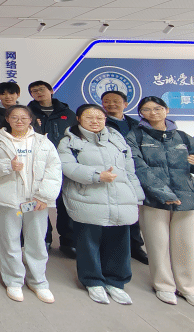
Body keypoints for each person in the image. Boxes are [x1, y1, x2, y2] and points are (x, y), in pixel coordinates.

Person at [127, 96, 194, 309]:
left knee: (185, 245)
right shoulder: (135, 136)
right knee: (157, 244)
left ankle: (189, 289)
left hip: (186, 199)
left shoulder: (182, 137)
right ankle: (164, 286)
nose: (153, 113)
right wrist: (162, 193)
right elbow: (139, 167)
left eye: (157, 108)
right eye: (147, 110)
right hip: (154, 200)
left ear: (166, 110)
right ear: (141, 114)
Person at [57, 104, 144, 305]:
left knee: (119, 241)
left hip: (120, 197)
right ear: (79, 119)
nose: (95, 121)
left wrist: (136, 194)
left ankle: (116, 281)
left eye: (99, 117)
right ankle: (93, 281)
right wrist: (97, 175)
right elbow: (67, 166)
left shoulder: (116, 138)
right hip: (87, 197)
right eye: (89, 117)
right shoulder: (69, 141)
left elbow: (129, 168)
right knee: (88, 242)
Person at [0, 105, 61, 304]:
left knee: (37, 241)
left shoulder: (43, 142)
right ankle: (14, 280)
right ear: (7, 119)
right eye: (14, 117)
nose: (19, 121)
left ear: (30, 120)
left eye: (24, 118)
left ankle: (38, 281)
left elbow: (54, 169)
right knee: (9, 241)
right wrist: (7, 166)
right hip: (8, 200)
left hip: (35, 201)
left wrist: (44, 196)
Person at [27, 80, 76, 258]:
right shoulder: (28, 113)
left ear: (51, 90)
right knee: (39, 201)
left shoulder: (68, 113)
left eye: (41, 89)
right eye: (34, 91)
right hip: (37, 163)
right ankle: (44, 239)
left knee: (66, 203)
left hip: (63, 163)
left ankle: (68, 241)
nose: (38, 93)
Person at [101, 90, 149, 265]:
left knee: (132, 208)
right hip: (112, 171)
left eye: (116, 101)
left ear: (126, 104)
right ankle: (112, 250)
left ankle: (135, 247)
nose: (111, 104)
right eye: (107, 101)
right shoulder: (100, 123)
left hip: (134, 170)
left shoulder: (136, 124)